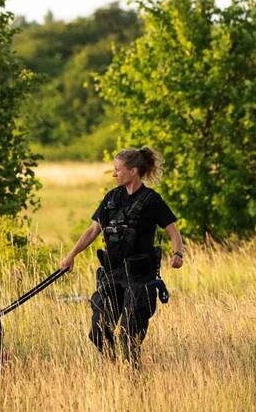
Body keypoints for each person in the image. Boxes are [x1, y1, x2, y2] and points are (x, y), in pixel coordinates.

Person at [60, 146, 183, 365]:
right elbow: (92, 231)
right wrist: (71, 256)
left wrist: (177, 253)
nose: (114, 174)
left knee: (129, 337)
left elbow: (173, 230)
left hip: (139, 277)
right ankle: (118, 367)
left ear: (133, 171)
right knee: (98, 332)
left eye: (118, 170)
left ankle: (131, 375)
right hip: (112, 274)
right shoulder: (111, 198)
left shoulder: (151, 200)